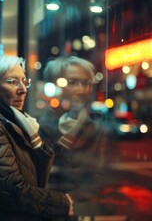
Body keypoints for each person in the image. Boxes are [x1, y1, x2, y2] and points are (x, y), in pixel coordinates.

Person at [0, 53, 73, 221]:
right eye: (12, 82)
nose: (22, 89)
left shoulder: (16, 123)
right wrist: (62, 203)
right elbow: (11, 190)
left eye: (24, 81)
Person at [38, 56, 115, 216]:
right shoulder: (38, 127)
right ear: (57, 86)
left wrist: (71, 200)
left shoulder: (98, 131)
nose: (81, 89)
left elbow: (103, 176)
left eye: (86, 83)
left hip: (82, 210)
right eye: (73, 82)